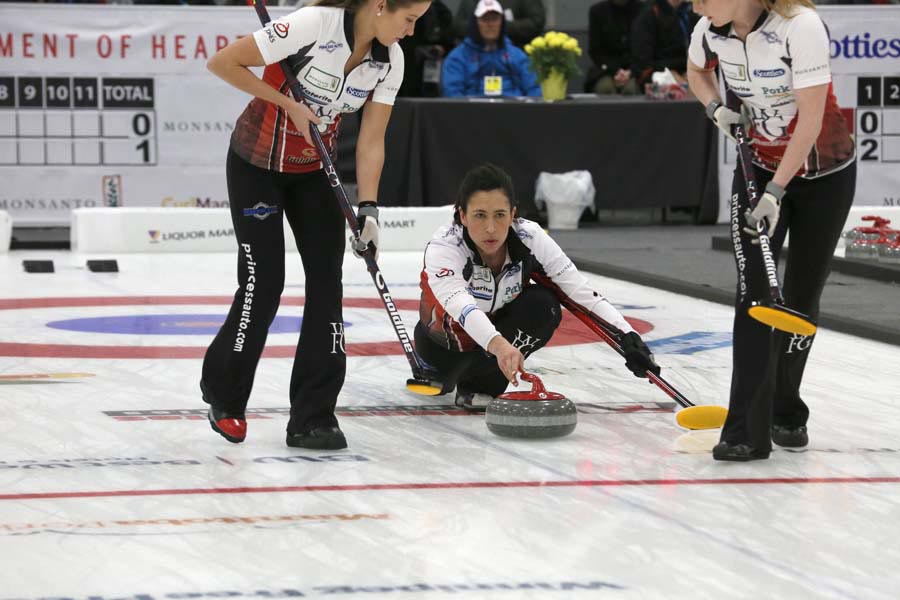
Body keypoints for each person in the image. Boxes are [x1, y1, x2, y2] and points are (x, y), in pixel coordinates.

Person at [201, 0, 431, 450]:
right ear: (381, 6)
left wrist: (369, 209)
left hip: (313, 174)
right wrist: (288, 104)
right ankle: (225, 396)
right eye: (409, 19)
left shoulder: (390, 61)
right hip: (256, 166)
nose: (411, 32)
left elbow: (371, 140)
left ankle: (313, 415)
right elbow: (223, 62)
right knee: (263, 281)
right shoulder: (313, 25)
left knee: (328, 282)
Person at [687, 0, 856, 461]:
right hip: (757, 169)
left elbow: (811, 118)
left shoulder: (799, 27)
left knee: (801, 296)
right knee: (755, 296)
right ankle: (744, 431)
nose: (695, 4)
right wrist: (715, 107)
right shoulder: (709, 29)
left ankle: (786, 407)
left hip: (823, 173)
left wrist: (776, 192)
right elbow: (695, 70)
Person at [414, 163, 659, 410]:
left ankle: (479, 385)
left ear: (512, 214)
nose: (491, 228)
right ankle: (447, 374)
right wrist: (499, 347)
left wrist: (630, 338)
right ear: (462, 216)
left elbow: (578, 290)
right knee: (442, 377)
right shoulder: (445, 246)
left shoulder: (530, 237)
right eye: (480, 215)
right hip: (444, 348)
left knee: (544, 305)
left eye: (500, 215)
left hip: (493, 352)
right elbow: (461, 305)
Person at [441, 0, 541, 98]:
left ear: (502, 23)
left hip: (513, 111)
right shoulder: (458, 57)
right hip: (472, 111)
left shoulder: (518, 56)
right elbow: (452, 93)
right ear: (475, 23)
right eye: (485, 19)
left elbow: (535, 90)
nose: (490, 24)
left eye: (494, 19)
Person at [631, 0, 698, 88]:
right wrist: (668, 73)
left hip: (689, 71)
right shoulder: (649, 14)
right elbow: (642, 61)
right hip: (659, 73)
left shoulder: (691, 12)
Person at [398, 0, 456, 97]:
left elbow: (450, 38)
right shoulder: (406, 7)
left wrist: (442, 48)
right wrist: (418, 50)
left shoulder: (441, 11)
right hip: (409, 63)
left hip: (438, 66)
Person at [585, 0, 643, 95]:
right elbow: (595, 50)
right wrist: (616, 70)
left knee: (631, 90)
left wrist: (631, 71)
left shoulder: (643, 10)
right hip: (605, 70)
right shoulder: (597, 11)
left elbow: (645, 49)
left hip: (636, 69)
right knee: (605, 88)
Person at [453, 0, 546, 48]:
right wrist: (480, 27)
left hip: (515, 53)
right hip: (474, 58)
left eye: (493, 19)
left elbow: (536, 23)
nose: (490, 23)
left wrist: (501, 26)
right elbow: (458, 26)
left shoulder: (519, 59)